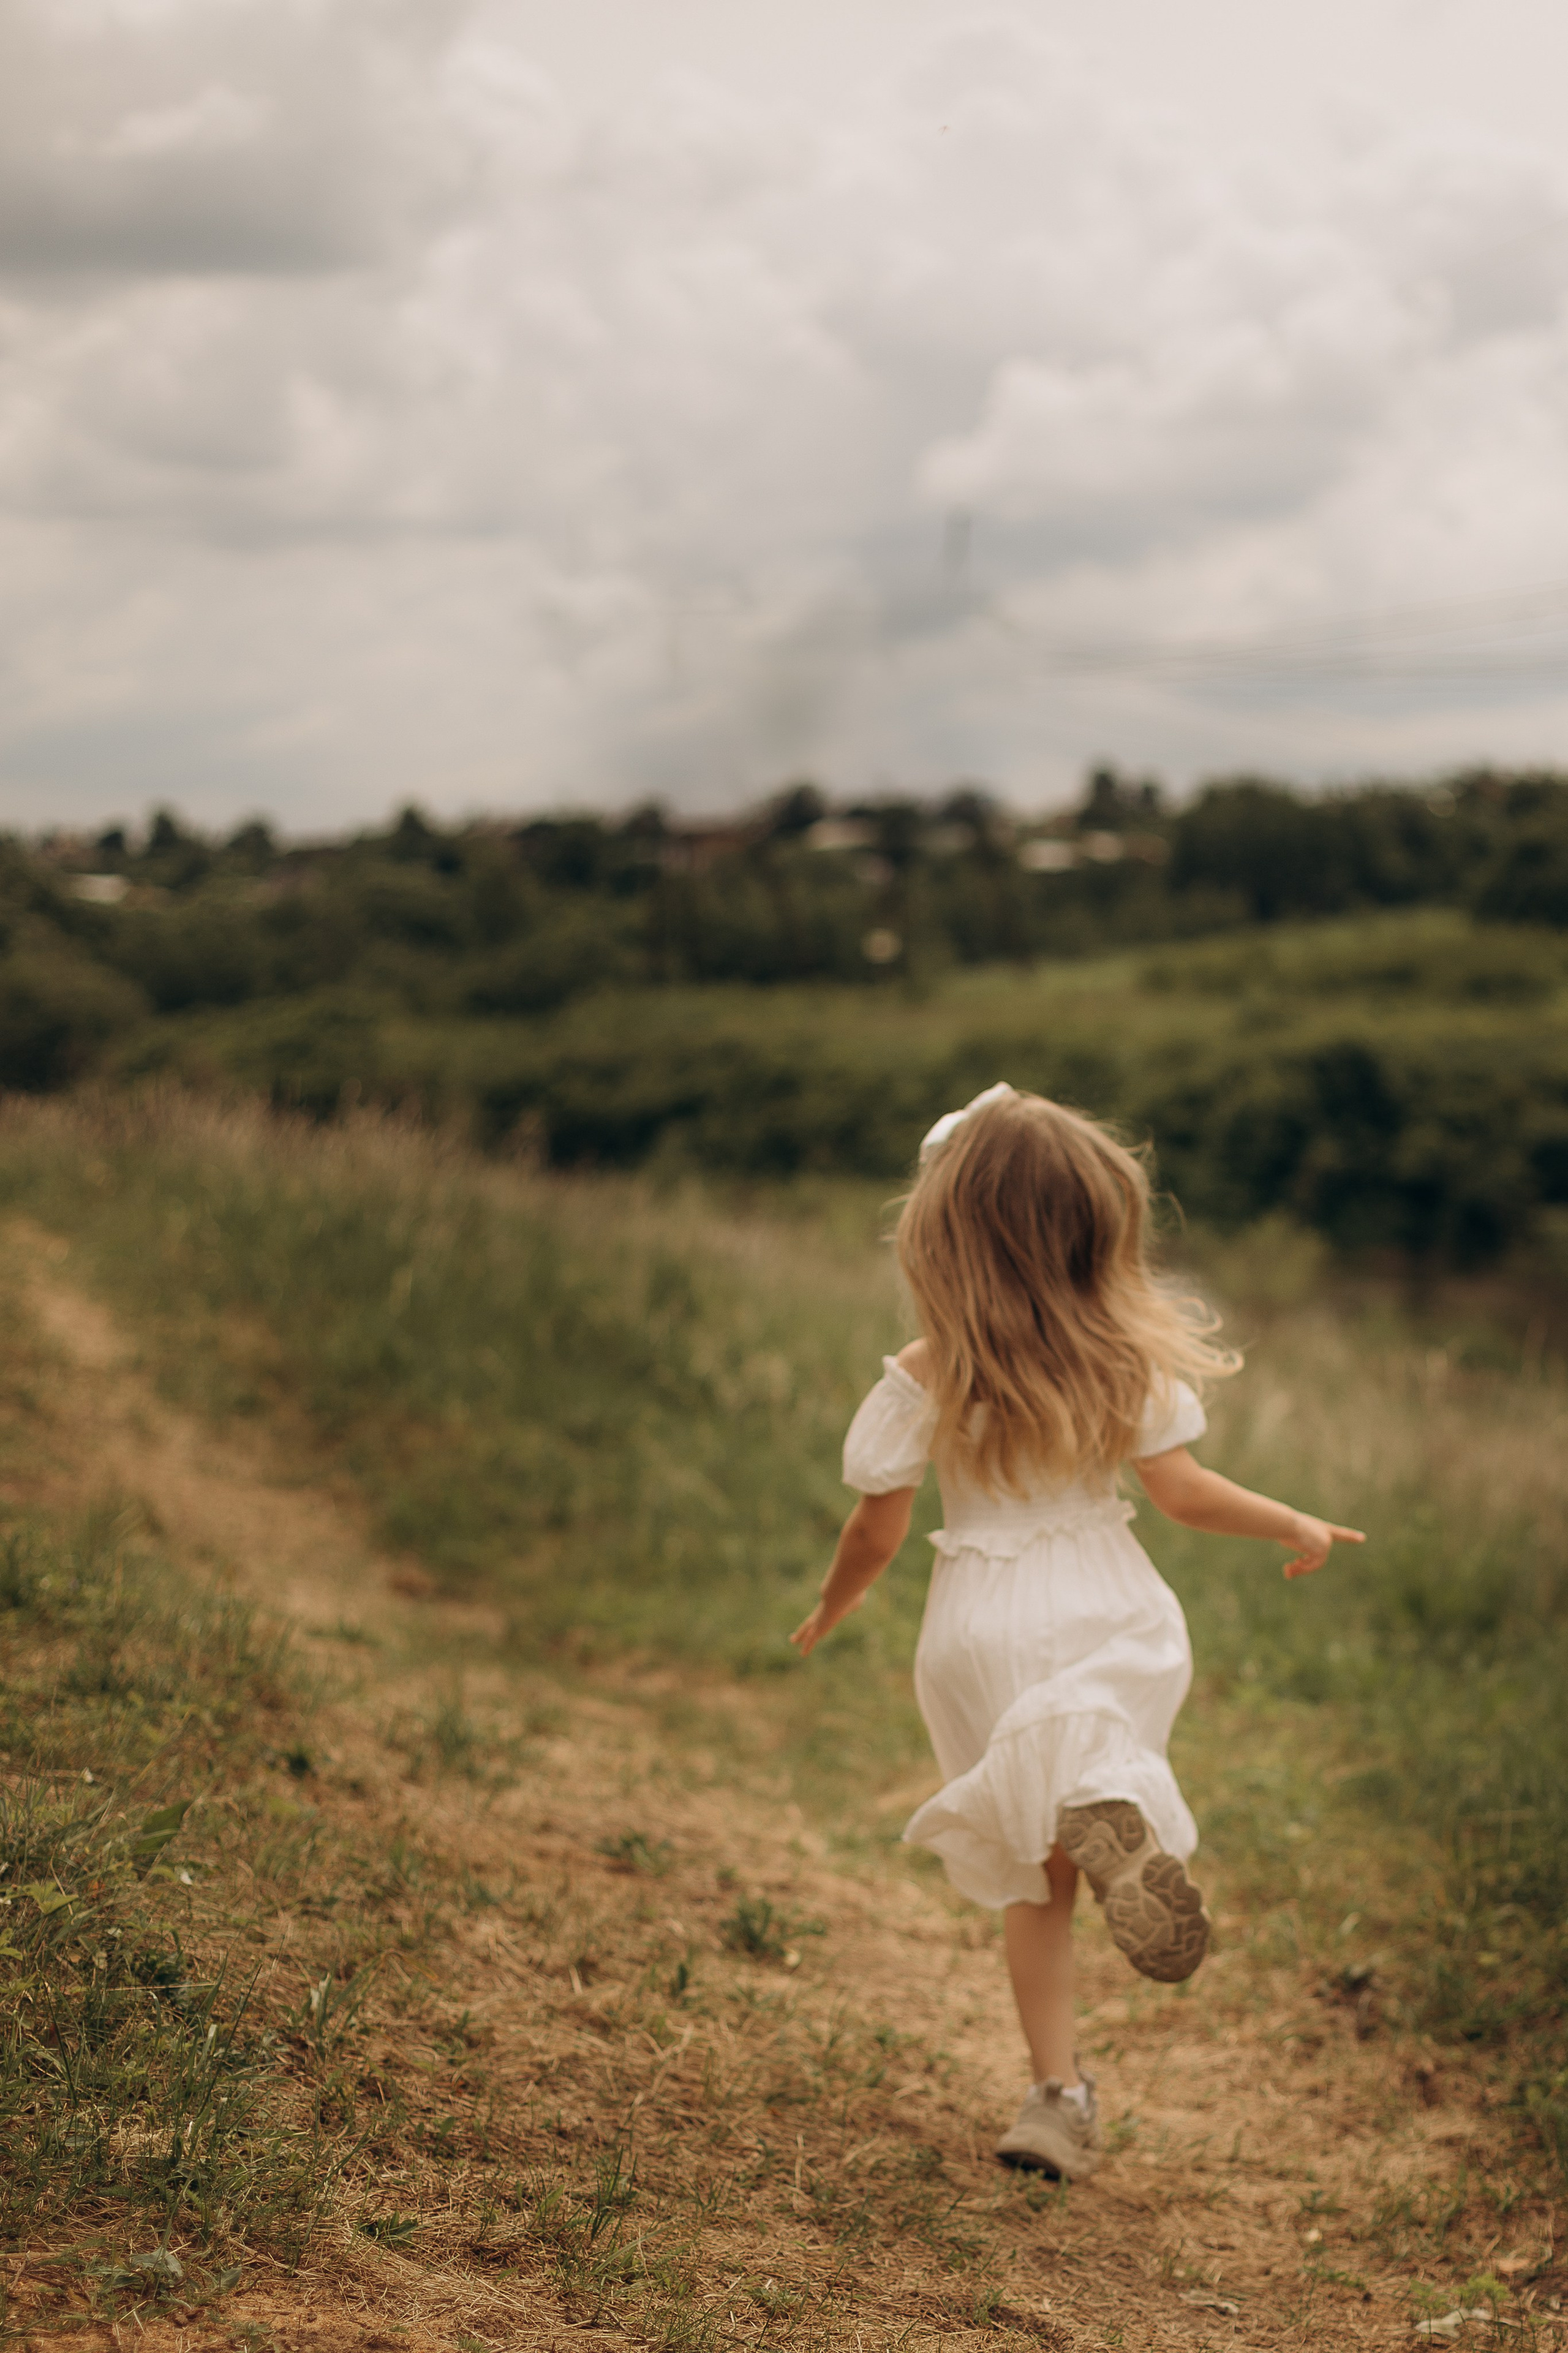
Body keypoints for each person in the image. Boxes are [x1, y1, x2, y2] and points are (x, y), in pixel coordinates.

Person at [790, 1084, 1363, 2182]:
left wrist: (835, 1601)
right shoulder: (1119, 1357)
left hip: (979, 1628)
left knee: (1033, 1880)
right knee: (1101, 1736)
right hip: (1102, 1598)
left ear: (942, 1230)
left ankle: (1057, 2095)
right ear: (1096, 1225)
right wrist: (1288, 1517)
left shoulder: (926, 1372)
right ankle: (1121, 1807)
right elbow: (1185, 1493)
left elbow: (877, 1525)